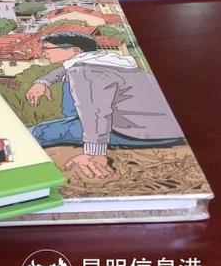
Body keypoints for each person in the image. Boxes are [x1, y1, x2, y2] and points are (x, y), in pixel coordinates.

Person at [25, 32, 184, 179]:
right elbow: (64, 70)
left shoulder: (84, 71)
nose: (43, 53)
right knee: (69, 84)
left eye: (47, 48)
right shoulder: (107, 62)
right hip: (169, 130)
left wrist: (94, 154)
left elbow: (95, 113)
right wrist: (43, 81)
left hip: (134, 134)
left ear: (75, 50)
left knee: (40, 131)